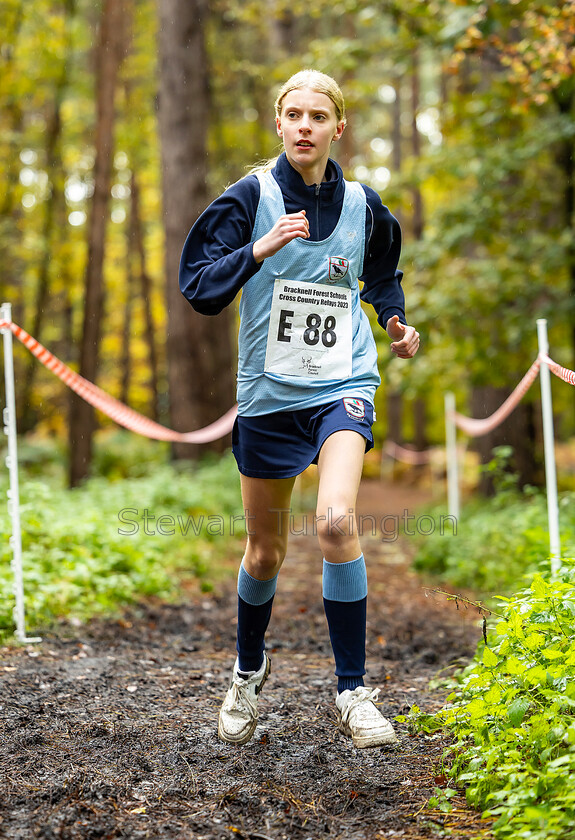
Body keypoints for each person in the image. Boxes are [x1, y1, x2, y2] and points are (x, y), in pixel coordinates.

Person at [179, 69, 420, 748]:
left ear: (338, 128)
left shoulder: (363, 204)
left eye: (320, 115)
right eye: (294, 114)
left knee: (337, 521)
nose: (306, 125)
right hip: (266, 397)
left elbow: (383, 273)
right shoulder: (247, 198)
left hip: (340, 384)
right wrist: (260, 248)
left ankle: (352, 692)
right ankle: (246, 673)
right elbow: (196, 286)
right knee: (264, 551)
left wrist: (395, 321)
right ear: (278, 125)